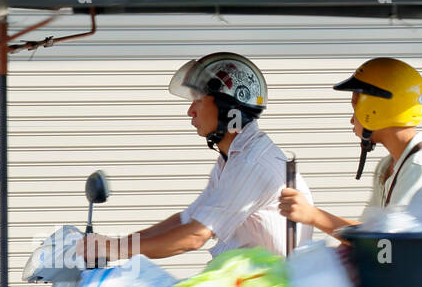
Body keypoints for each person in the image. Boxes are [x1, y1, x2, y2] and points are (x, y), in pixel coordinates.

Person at [77, 52, 312, 263]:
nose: (190, 111)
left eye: (198, 99)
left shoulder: (250, 164)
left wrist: (117, 248)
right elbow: (187, 219)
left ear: (228, 108)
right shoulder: (232, 160)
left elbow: (194, 236)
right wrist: (113, 244)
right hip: (245, 286)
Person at [278, 57, 422, 234]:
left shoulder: (420, 167)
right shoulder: (388, 165)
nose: (351, 120)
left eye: (355, 109)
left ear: (375, 109)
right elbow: (368, 233)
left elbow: (385, 243)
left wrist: (313, 216)